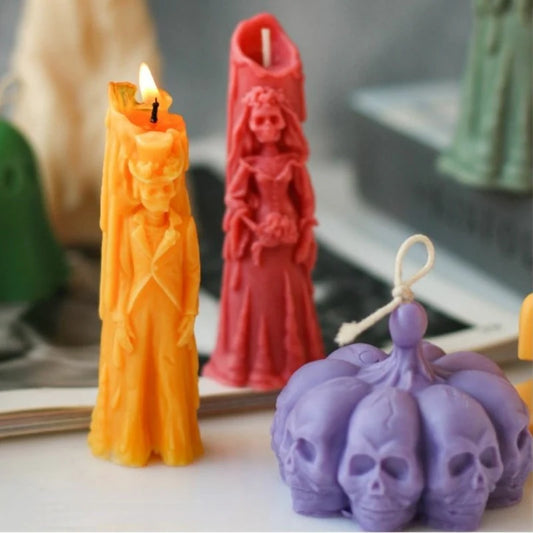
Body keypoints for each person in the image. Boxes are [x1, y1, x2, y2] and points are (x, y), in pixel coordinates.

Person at [89, 130, 202, 466]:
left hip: (169, 311)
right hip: (136, 312)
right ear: (138, 189)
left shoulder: (183, 228)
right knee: (135, 375)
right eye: (152, 188)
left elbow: (191, 273)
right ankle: (131, 440)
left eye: (166, 188)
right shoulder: (129, 228)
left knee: (170, 373)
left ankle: (173, 439)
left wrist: (189, 314)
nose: (159, 195)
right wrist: (121, 318)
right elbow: (123, 275)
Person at [203, 86, 324, 390]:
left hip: (288, 238)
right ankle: (256, 362)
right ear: (250, 126)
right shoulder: (248, 166)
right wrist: (249, 219)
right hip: (258, 240)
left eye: (273, 119)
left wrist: (300, 230)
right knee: (259, 295)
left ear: (284, 123)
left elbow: (306, 202)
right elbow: (234, 198)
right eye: (260, 120)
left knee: (288, 292)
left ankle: (290, 360)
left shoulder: (292, 164)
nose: (268, 126)